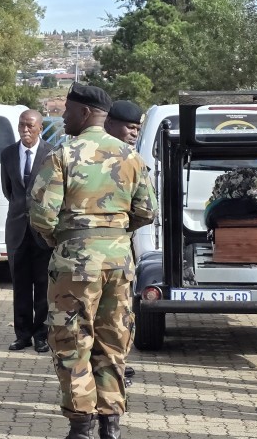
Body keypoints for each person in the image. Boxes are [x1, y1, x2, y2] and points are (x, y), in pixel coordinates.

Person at [29, 83, 155, 439]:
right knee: (113, 342)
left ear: (85, 113)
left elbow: (41, 214)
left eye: (67, 110)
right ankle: (110, 425)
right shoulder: (131, 156)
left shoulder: (62, 155)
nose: (64, 116)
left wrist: (66, 239)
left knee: (72, 341)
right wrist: (113, 236)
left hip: (75, 263)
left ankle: (81, 427)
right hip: (118, 262)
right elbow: (147, 210)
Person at [0, 109, 53, 353]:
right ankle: (22, 335)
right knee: (20, 284)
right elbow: (9, 191)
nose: (25, 130)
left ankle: (42, 334)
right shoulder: (8, 153)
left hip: (42, 231)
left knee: (43, 284)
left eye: (30, 126)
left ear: (40, 128)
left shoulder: (51, 153)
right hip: (17, 229)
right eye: (22, 125)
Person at [104, 99, 149, 388]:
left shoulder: (70, 153)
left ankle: (110, 371)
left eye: (137, 129)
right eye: (130, 127)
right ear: (111, 124)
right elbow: (146, 211)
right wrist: (121, 229)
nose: (134, 134)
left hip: (77, 253)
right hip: (117, 252)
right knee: (115, 317)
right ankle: (112, 374)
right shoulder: (132, 161)